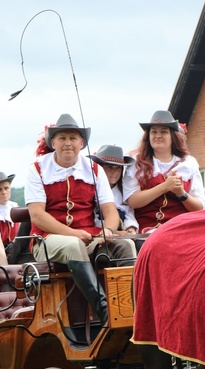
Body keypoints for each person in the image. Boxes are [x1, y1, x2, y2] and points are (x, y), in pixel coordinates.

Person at [25, 113, 136, 326]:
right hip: (47, 240)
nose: (68, 143)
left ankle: (129, 309)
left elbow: (110, 212)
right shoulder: (37, 169)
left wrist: (109, 231)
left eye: (73, 138)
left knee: (126, 245)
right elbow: (37, 216)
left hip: (88, 236)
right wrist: (74, 233)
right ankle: (104, 311)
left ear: (81, 143)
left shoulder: (94, 170)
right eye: (62, 138)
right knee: (74, 245)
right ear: (53, 142)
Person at [123, 110, 205, 232]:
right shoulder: (136, 162)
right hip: (147, 230)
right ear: (148, 136)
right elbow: (133, 202)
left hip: (181, 228)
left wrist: (181, 193)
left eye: (164, 132)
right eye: (154, 131)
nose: (158, 136)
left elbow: (199, 208)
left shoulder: (188, 164)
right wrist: (165, 186)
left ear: (173, 137)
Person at [88, 144, 138, 235]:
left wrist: (131, 229)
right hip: (99, 235)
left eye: (118, 168)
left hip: (123, 233)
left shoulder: (123, 192)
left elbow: (129, 214)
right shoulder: (90, 191)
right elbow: (92, 219)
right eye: (110, 167)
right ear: (100, 168)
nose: (115, 172)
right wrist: (117, 232)